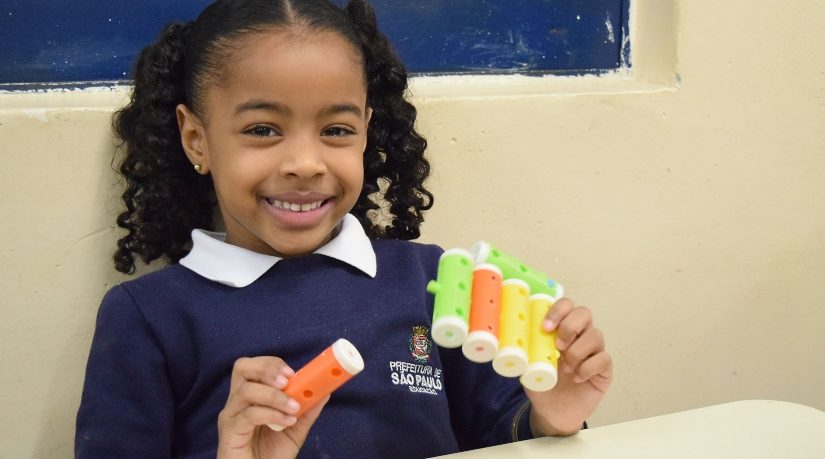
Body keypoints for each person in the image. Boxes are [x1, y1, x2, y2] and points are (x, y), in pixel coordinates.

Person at [75, 0, 613, 457]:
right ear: (197, 139)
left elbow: (502, 437)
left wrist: (552, 417)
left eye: (336, 129)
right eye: (262, 129)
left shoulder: (433, 278)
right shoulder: (149, 316)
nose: (306, 163)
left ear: (365, 134)